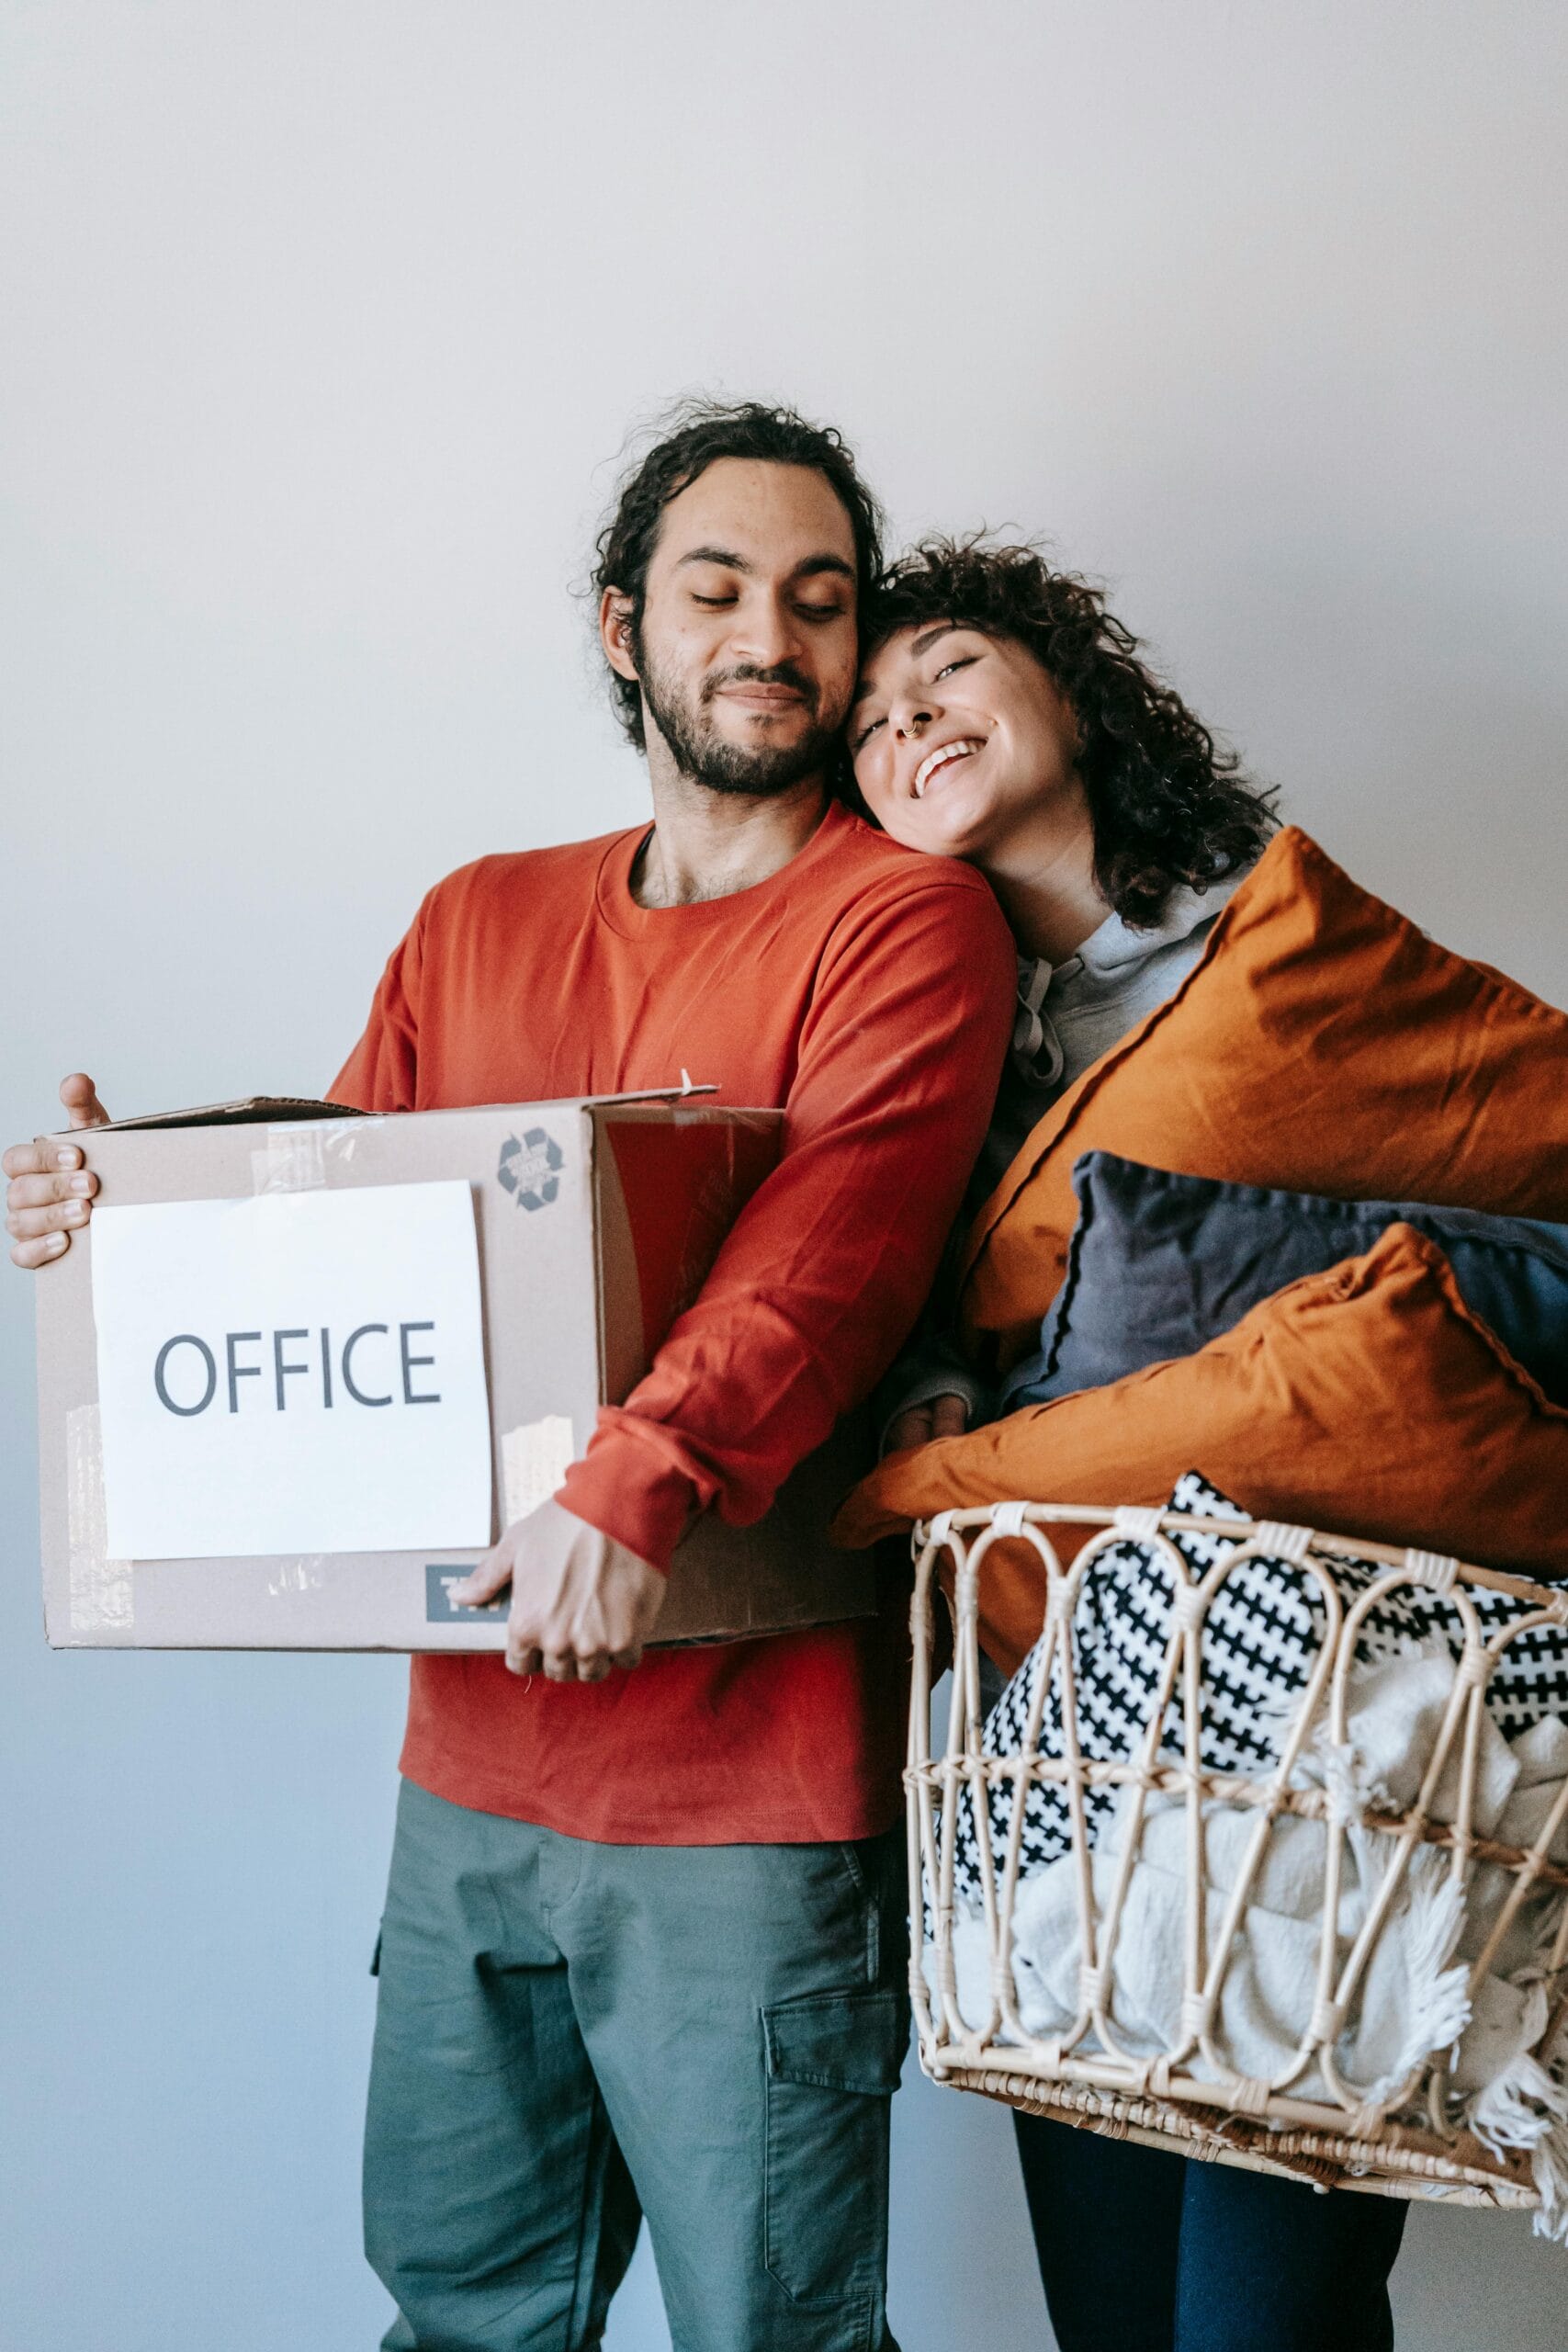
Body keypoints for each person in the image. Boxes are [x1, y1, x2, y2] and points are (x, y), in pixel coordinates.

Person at [5, 406, 1018, 2352]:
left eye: (820, 600)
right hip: (465, 1771)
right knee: (461, 2314)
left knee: (774, 2336)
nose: (769, 637)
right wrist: (125, 1212)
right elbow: (339, 1217)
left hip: (749, 1792)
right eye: (716, 588)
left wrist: (631, 1476)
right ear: (623, 623)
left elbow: (832, 1248)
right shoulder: (477, 912)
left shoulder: (904, 920)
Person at [846, 535, 1407, 2352]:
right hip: (1061, 1746)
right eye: (868, 719)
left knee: (1266, 2319)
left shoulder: (1282, 947)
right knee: (1108, 2313)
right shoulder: (931, 1040)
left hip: (1305, 1743)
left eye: (940, 669)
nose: (906, 716)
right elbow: (873, 1260)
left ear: (1065, 688)